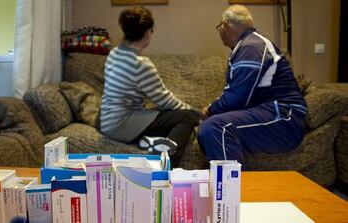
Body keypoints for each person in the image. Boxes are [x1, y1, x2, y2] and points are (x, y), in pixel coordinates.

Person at [198, 5, 307, 165]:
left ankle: (232, 188)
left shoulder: (251, 47)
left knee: (216, 128)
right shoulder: (249, 45)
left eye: (219, 27)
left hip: (284, 118)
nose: (219, 31)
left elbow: (236, 97)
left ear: (225, 25)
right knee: (209, 128)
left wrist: (209, 110)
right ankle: (229, 181)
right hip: (270, 113)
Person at [100, 6, 200, 165]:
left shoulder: (114, 53)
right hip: (122, 125)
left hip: (106, 121)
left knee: (162, 113)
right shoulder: (140, 64)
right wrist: (197, 113)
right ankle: (165, 164)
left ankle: (150, 141)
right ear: (147, 32)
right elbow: (166, 101)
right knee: (187, 117)